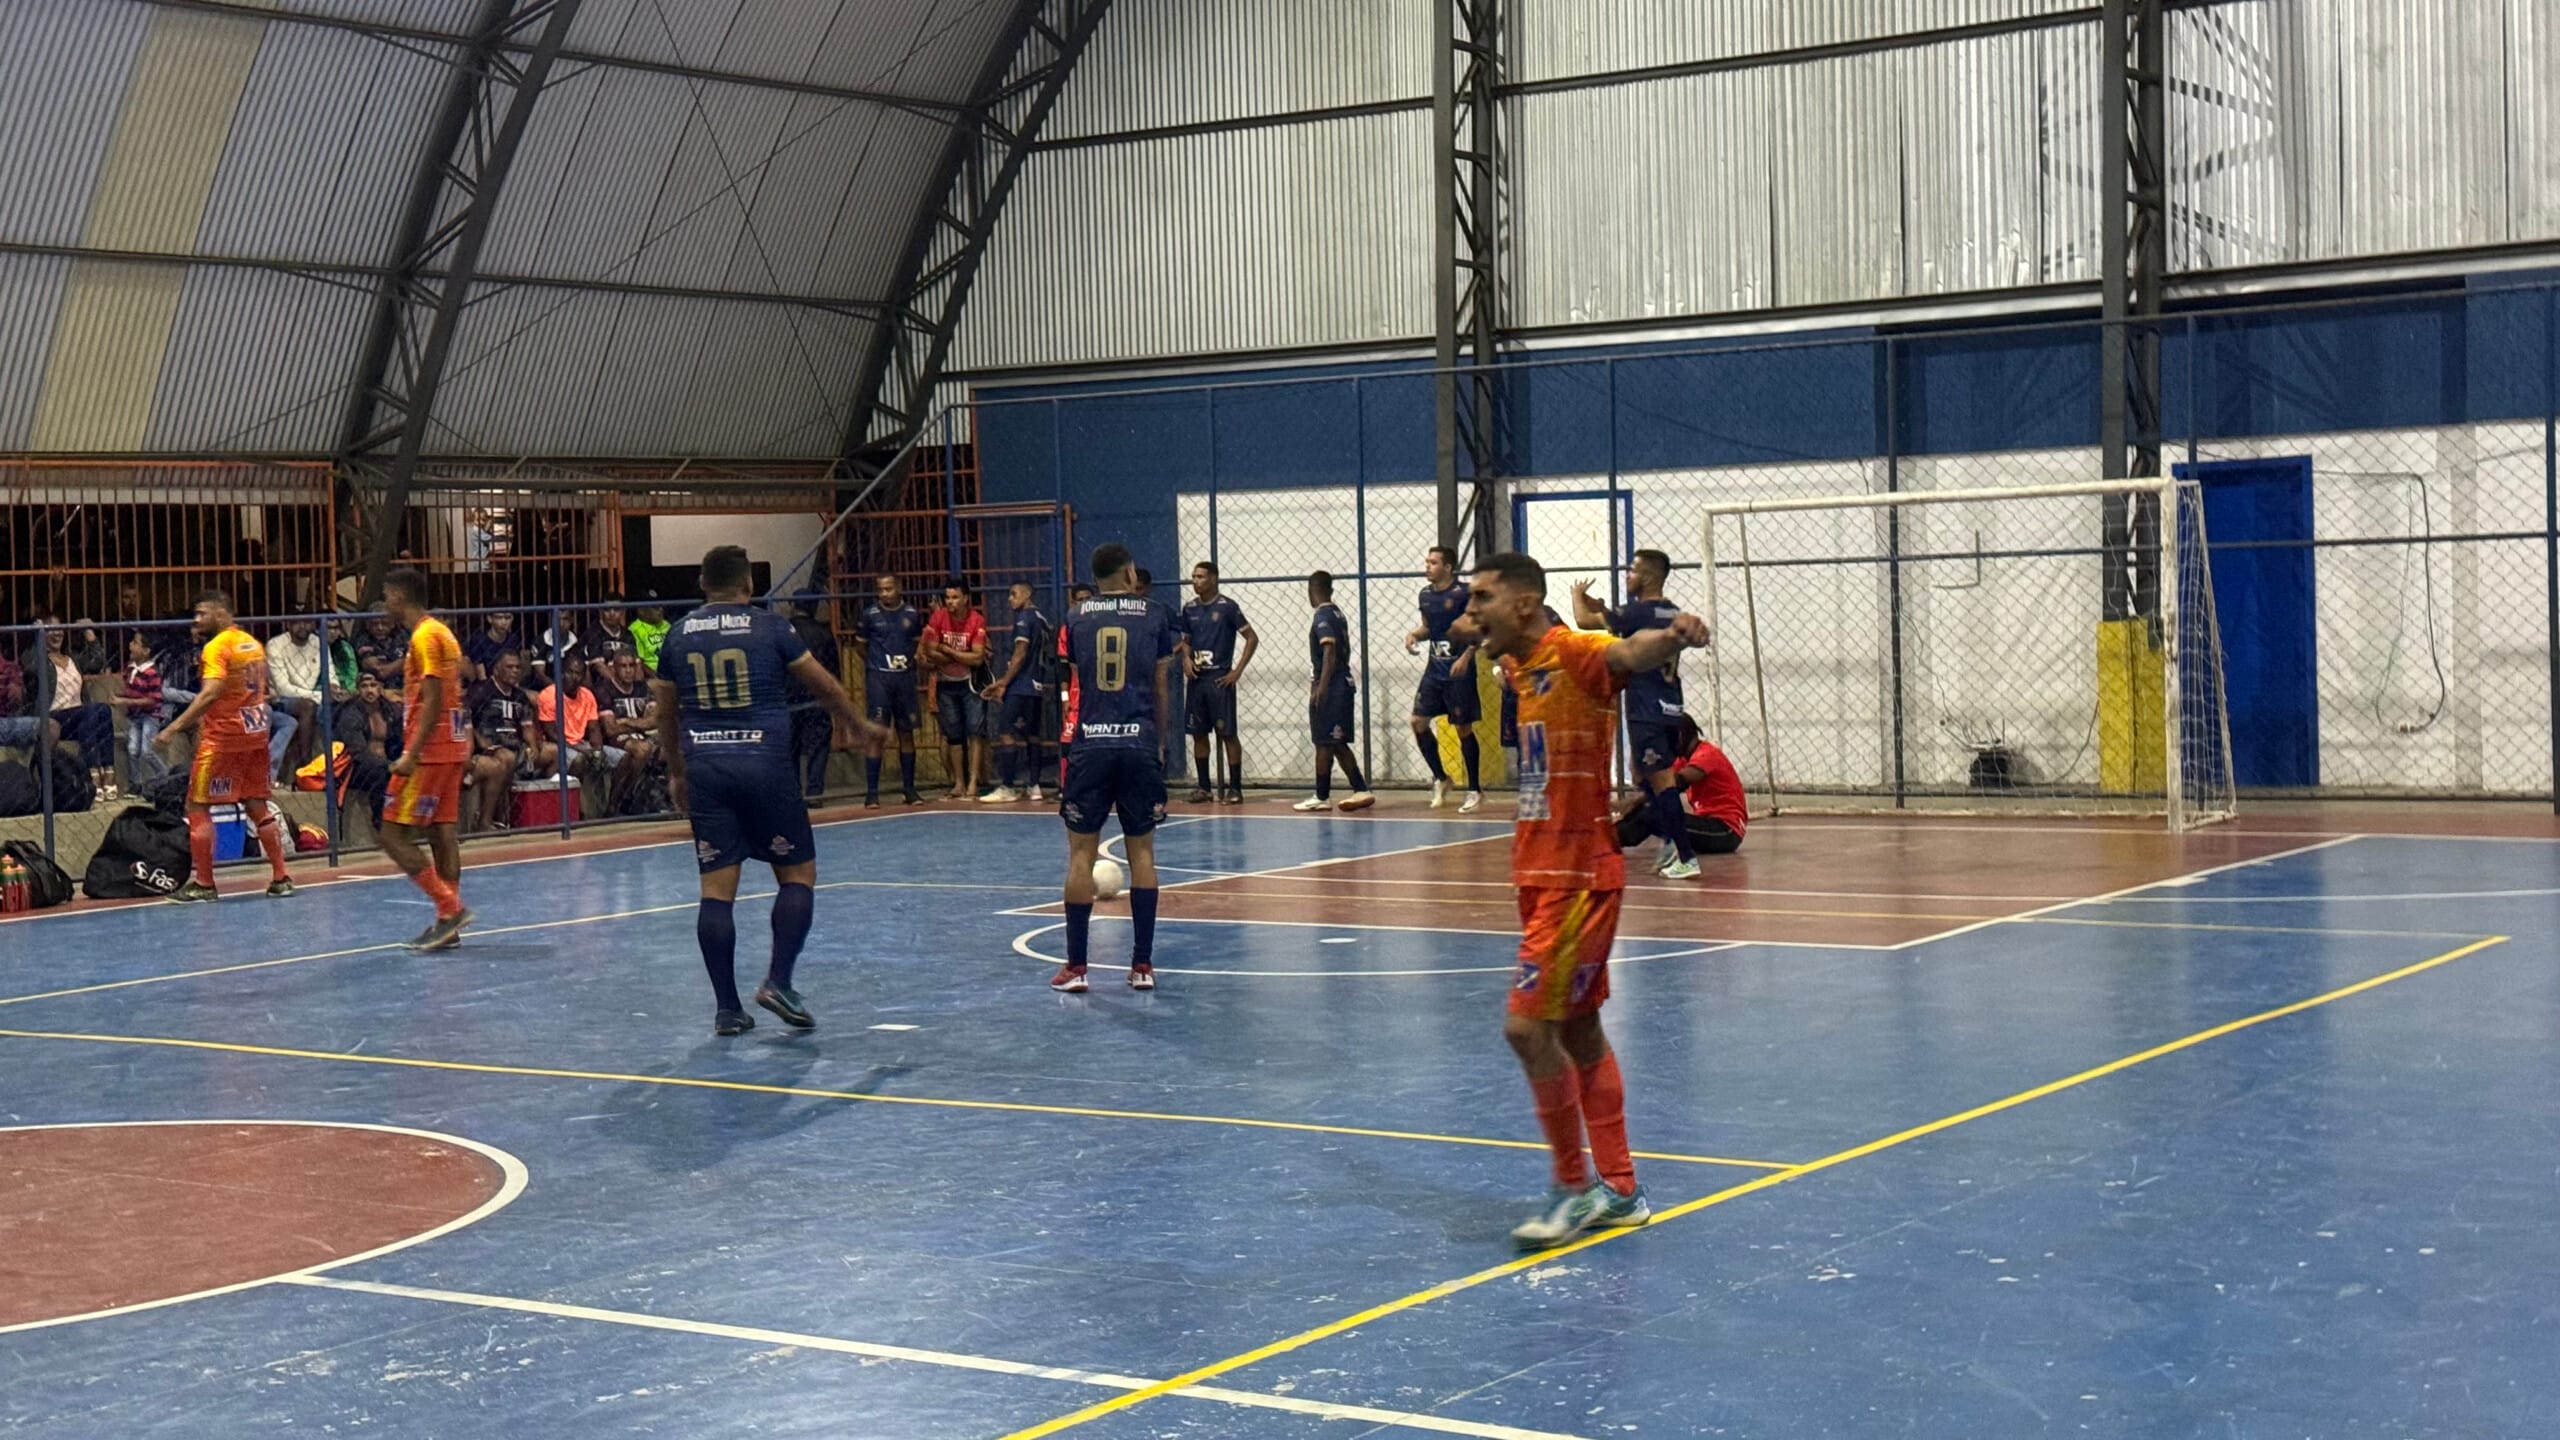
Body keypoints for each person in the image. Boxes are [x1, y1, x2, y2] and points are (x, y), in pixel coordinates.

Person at [1466, 550, 1708, 1248]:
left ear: (1522, 604)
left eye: (1482, 598)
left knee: (1525, 1030)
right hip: (1538, 873)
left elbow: (1626, 652)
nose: (1472, 611)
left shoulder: (1575, 654)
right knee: (1578, 1032)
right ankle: (1621, 1191)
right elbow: (1471, 632)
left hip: (1577, 877)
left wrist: (1673, 635)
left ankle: (1572, 1188)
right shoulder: (1519, 664)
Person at [652, 545, 881, 1036]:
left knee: (716, 890)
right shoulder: (771, 627)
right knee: (797, 875)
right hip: (765, 764)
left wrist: (677, 772)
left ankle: (727, 1009)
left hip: (707, 768)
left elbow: (665, 713)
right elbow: (824, 685)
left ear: (702, 584)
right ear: (748, 585)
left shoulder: (678, 633)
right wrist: (857, 724)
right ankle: (778, 981)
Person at [1051, 543, 1175, 994]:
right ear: (1129, 573)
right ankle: (1142, 965)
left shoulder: (1075, 617)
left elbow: (1076, 682)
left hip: (1091, 743)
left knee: (1081, 855)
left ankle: (1076, 968)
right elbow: (1160, 684)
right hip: (1138, 741)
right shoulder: (1154, 615)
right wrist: (1159, 742)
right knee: (1142, 854)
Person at [155, 591, 296, 903]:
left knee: (197, 806)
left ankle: (204, 883)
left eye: (202, 613)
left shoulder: (216, 647)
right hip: (255, 734)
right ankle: (281, 877)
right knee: (257, 804)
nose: (196, 620)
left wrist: (174, 727)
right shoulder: (252, 643)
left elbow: (211, 692)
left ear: (221, 613)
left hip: (223, 737)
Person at [1572, 549, 1700, 878]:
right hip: (1672, 706)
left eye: (1632, 570)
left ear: (1648, 577)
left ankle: (1685, 855)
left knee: (1661, 781)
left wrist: (1577, 595)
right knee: (1645, 778)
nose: (1627, 576)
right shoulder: (1673, 612)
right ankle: (1670, 841)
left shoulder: (1635, 613)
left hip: (1646, 707)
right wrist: (1603, 608)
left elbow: (1583, 622)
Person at [373, 569, 474, 949]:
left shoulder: (425, 636)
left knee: (391, 835)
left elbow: (433, 699)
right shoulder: (442, 632)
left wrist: (411, 754)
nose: (385, 603)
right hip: (452, 744)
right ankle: (448, 926)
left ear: (400, 595)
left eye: (387, 594)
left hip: (429, 751)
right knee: (442, 833)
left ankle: (450, 908)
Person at [1407, 545, 1484, 812]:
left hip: (1458, 671)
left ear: (1448, 567)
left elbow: (1479, 627)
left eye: (1433, 562)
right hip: (1434, 670)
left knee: (1463, 728)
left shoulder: (1464, 593)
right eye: (1427, 562)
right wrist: (1414, 635)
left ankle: (1474, 789)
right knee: (1418, 721)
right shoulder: (1426, 595)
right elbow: (1429, 627)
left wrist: (1467, 657)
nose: (1427, 567)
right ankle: (1441, 777)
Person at [1176, 561, 1256, 805]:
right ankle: (1204, 787)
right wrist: (1186, 659)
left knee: (1228, 734)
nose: (1195, 581)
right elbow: (1186, 640)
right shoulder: (1189, 608)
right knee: (1198, 734)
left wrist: (1237, 671)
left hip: (1219, 680)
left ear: (1213, 578)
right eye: (1193, 576)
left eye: (1200, 576)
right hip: (1197, 681)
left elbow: (1251, 638)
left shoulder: (1227, 607)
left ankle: (1235, 788)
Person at [1614, 716, 1745, 861]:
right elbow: (1656, 786)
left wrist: (1636, 798)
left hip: (1725, 831)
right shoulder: (1684, 759)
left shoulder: (1707, 754)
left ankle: (1612, 840)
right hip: (1707, 822)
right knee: (1647, 806)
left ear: (1680, 736)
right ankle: (1609, 834)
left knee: (1654, 815)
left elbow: (1678, 782)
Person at [1295, 571, 1374, 813]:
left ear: (1311, 590)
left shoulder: (1323, 616)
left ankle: (1322, 795)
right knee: (1335, 742)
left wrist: (1321, 686)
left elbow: (1329, 652)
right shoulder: (1337, 613)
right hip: (1342, 682)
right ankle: (1360, 788)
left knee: (1323, 741)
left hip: (1333, 685)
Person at [853, 573, 924, 806]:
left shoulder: (912, 614)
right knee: (877, 734)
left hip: (905, 680)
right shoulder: (869, 615)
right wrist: (876, 665)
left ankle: (910, 790)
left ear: (899, 588)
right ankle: (872, 793)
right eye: (881, 589)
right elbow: (860, 646)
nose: (885, 593)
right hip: (879, 680)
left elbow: (917, 643)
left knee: (906, 732)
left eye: (889, 588)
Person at [979, 581, 1053, 804]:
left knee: (1006, 732)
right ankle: (1034, 785)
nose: (1009, 599)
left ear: (1027, 594)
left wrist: (1004, 682)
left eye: (1014, 594)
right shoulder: (1042, 619)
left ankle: (1008, 786)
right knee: (1033, 734)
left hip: (1021, 685)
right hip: (1037, 685)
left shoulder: (1023, 619)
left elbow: (1020, 653)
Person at [921, 581, 989, 801]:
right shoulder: (938, 617)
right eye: (948, 598)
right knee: (953, 735)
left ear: (966, 598)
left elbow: (977, 657)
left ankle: (973, 782)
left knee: (976, 732)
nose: (950, 602)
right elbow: (930, 651)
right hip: (946, 683)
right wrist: (962, 655)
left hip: (971, 684)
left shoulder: (976, 620)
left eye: (955, 597)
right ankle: (959, 783)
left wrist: (947, 650)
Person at [465, 649, 539, 833]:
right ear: (496, 669)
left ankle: (529, 815)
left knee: (552, 753)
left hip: (516, 743)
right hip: (491, 745)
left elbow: (527, 725)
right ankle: (490, 819)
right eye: (509, 667)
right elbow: (466, 720)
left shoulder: (520, 696)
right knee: (506, 758)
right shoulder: (481, 691)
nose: (514, 671)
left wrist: (533, 746)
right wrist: (480, 739)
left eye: (517, 668)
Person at [782, 595, 841, 806]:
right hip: (816, 697)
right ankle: (814, 792)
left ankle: (793, 792)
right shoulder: (823, 633)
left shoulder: (783, 632)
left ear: (793, 606)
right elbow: (833, 669)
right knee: (819, 746)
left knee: (790, 748)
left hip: (788, 697)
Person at [268, 617, 325, 777]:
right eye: (297, 622)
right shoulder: (276, 645)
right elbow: (283, 688)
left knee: (337, 707)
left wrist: (334, 688)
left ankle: (329, 770)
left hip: (313, 696)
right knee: (308, 707)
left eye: (307, 622)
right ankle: (305, 764)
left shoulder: (318, 642)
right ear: (288, 624)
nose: (303, 626)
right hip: (281, 699)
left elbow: (330, 674)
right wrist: (320, 695)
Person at [110, 632, 169, 787]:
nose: (131, 645)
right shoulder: (130, 668)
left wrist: (125, 701)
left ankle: (165, 776)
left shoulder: (152, 672)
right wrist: (120, 696)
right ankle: (136, 784)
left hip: (150, 715)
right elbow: (131, 690)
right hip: (134, 715)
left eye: (135, 643)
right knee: (132, 749)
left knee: (146, 751)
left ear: (146, 651)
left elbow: (152, 699)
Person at [354, 613, 407, 693]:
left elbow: (414, 662)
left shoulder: (403, 636)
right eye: (375, 624)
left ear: (392, 624)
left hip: (404, 688)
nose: (380, 628)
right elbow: (380, 671)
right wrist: (403, 661)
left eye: (385, 623)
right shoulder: (362, 639)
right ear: (368, 625)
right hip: (375, 691)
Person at [629, 593, 671, 672]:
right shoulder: (635, 629)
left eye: (661, 606)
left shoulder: (667, 625)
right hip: (651, 673)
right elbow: (640, 662)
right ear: (642, 611)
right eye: (656, 607)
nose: (661, 610)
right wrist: (655, 676)